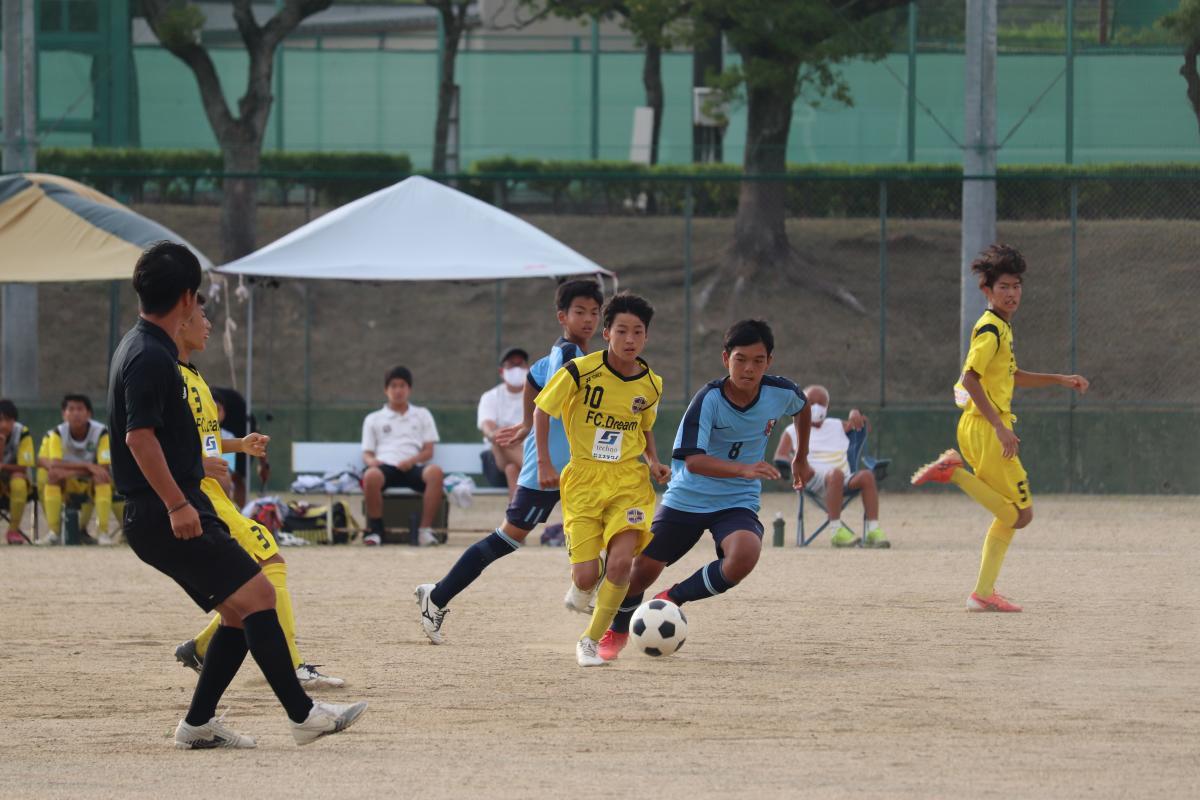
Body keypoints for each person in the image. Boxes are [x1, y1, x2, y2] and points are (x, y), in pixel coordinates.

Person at [107, 241, 364, 748]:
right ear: (187, 297)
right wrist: (178, 503)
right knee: (260, 595)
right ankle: (303, 715)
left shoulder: (140, 346)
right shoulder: (152, 356)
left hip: (166, 507)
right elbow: (139, 439)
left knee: (237, 611)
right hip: (166, 510)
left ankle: (198, 725)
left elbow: (157, 435)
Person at [598, 320, 813, 661]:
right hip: (688, 497)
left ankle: (671, 598)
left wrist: (801, 457)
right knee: (640, 573)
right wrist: (744, 469)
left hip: (736, 500)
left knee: (744, 554)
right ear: (726, 358)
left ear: (769, 361)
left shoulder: (781, 392)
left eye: (758, 361)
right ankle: (618, 629)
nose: (749, 368)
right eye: (741, 359)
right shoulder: (709, 399)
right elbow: (694, 461)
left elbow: (802, 406)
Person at [413, 279, 603, 644]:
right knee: (507, 539)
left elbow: (533, 376)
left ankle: (584, 591)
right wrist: (543, 458)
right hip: (548, 469)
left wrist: (524, 422)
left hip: (577, 469)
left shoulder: (569, 354)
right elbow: (546, 403)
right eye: (580, 312)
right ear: (562, 316)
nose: (588, 319)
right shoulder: (568, 355)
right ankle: (436, 595)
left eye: (594, 313)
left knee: (607, 527)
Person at [171, 294, 344, 689]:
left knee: (251, 579)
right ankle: (292, 665)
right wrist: (198, 465)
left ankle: (201, 648)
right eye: (202, 316)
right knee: (269, 559)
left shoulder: (194, 377)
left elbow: (203, 439)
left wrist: (239, 446)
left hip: (211, 493)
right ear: (181, 321)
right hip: (196, 493)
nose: (208, 324)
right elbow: (155, 442)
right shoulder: (170, 377)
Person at [911, 243, 1089, 612]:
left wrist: (1059, 379)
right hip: (987, 429)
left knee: (1007, 516)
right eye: (1003, 287)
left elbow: (1012, 374)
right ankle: (954, 472)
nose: (1012, 293)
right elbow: (970, 378)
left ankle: (982, 593)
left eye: (1016, 286)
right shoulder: (991, 330)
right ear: (987, 290)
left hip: (977, 427)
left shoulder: (1002, 328)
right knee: (1021, 515)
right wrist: (999, 427)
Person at [534, 292, 670, 667]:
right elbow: (542, 410)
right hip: (583, 478)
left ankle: (590, 641)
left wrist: (654, 461)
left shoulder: (652, 384)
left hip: (629, 481)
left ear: (646, 337)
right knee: (585, 576)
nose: (630, 339)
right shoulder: (579, 371)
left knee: (622, 563)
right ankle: (583, 584)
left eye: (638, 332)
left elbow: (644, 427)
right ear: (606, 332)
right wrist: (544, 462)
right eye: (622, 330)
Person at [774, 385, 888, 548]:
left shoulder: (837, 425)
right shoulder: (792, 430)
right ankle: (836, 531)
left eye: (821, 403)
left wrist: (855, 413)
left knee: (867, 476)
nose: (816, 407)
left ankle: (873, 530)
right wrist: (787, 466)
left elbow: (863, 427)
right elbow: (780, 455)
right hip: (811, 478)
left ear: (827, 407)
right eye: (811, 402)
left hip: (844, 479)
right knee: (834, 473)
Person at [361, 366, 444, 547]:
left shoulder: (422, 414)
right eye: (393, 386)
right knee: (370, 475)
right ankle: (376, 531)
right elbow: (367, 453)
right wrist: (372, 462)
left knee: (435, 473)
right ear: (386, 390)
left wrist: (411, 461)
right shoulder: (373, 419)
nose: (398, 390)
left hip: (413, 467)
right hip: (385, 467)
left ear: (409, 389)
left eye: (402, 386)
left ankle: (424, 531)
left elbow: (429, 451)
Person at [36, 394, 124, 545]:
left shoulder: (102, 432)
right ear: (64, 414)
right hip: (69, 481)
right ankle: (54, 532)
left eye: (80, 409)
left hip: (90, 482)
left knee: (102, 477)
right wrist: (87, 466)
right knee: (52, 476)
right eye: (71, 409)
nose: (75, 413)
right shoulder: (57, 433)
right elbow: (55, 465)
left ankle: (103, 533)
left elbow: (102, 467)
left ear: (88, 413)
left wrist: (70, 470)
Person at [477, 346, 530, 499]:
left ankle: (516, 513)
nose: (516, 369)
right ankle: (535, 470)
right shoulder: (490, 397)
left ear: (528, 369)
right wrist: (501, 435)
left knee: (512, 468)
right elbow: (488, 429)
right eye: (511, 365)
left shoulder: (538, 395)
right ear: (501, 371)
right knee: (500, 437)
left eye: (520, 364)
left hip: (527, 453)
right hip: (495, 462)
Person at [0, 399, 34, 545]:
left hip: (15, 478)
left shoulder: (22, 433)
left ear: (14, 421)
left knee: (19, 481)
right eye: (0, 420)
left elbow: (23, 467)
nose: (3, 425)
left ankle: (13, 531)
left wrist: (3, 467)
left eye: (8, 420)